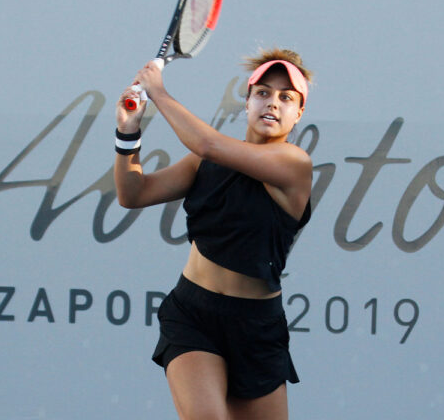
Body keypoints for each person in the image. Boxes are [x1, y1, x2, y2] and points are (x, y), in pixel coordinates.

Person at [114, 47, 313, 420]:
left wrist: (158, 91)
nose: (273, 103)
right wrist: (128, 131)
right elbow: (133, 193)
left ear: (298, 113)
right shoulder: (205, 163)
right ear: (248, 102)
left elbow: (208, 143)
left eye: (286, 97)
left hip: (258, 327)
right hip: (194, 315)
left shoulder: (295, 165)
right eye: (263, 93)